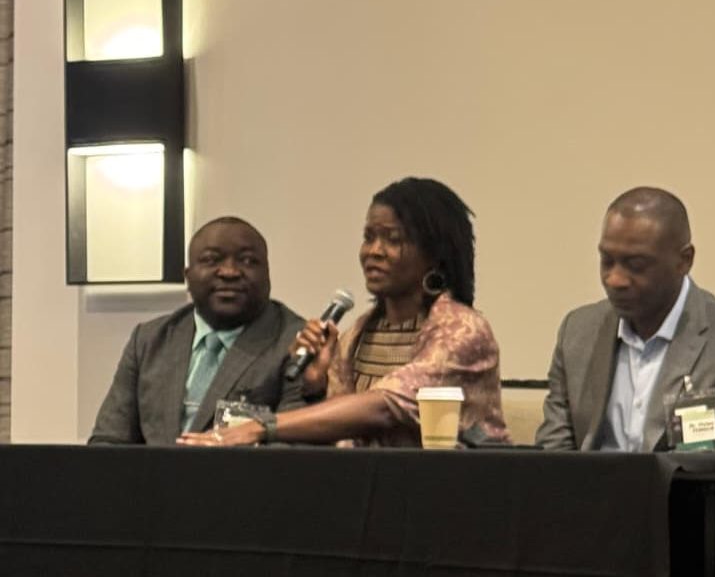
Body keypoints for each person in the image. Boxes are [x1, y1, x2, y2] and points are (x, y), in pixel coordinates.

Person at [178, 177, 507, 448]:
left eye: (392, 239)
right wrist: (316, 383)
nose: (374, 251)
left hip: (453, 492)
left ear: (434, 254)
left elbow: (385, 406)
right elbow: (342, 434)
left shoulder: (462, 330)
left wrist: (260, 427)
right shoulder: (360, 333)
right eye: (369, 237)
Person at [535, 187, 715, 451]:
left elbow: (714, 467)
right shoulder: (577, 332)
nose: (615, 279)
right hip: (582, 480)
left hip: (682, 479)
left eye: (636, 265)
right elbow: (553, 455)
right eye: (607, 261)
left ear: (684, 260)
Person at [88, 216, 309, 445]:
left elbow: (293, 448)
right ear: (188, 276)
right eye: (212, 260)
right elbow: (109, 440)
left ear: (267, 274)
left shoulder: (299, 342)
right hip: (151, 470)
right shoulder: (149, 340)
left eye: (247, 260)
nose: (230, 272)